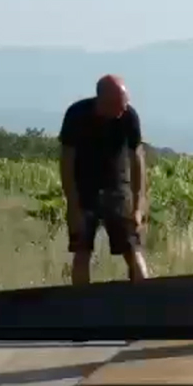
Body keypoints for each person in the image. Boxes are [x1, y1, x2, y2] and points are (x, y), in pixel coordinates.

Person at [58, 74, 150, 285]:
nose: (123, 109)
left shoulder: (129, 116)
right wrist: (73, 206)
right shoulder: (77, 115)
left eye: (125, 103)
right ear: (103, 102)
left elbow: (137, 160)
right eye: (119, 105)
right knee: (82, 250)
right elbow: (66, 162)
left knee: (132, 248)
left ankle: (146, 301)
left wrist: (137, 206)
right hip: (84, 188)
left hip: (117, 187)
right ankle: (81, 308)